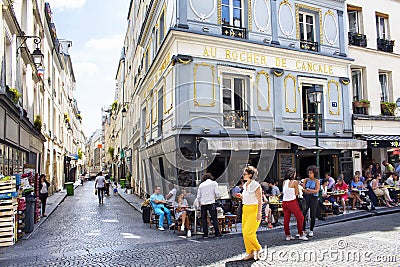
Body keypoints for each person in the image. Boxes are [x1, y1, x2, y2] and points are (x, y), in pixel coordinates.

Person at [238, 166, 263, 261]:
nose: (243, 176)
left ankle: (258, 248)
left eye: (245, 174)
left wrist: (259, 213)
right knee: (245, 232)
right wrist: (241, 196)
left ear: (250, 175)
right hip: (246, 209)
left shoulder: (256, 186)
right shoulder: (245, 185)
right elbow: (246, 197)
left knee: (249, 232)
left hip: (254, 209)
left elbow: (260, 201)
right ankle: (250, 252)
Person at [282, 168, 308, 241]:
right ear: (293, 174)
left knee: (286, 219)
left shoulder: (284, 182)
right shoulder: (295, 182)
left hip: (284, 202)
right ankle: (301, 233)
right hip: (292, 202)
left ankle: (288, 235)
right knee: (300, 217)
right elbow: (296, 193)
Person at [197, 173, 221, 238]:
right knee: (214, 218)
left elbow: (198, 196)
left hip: (203, 203)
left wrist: (199, 203)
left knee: (204, 219)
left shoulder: (201, 185)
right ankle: (217, 233)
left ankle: (205, 234)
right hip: (211, 202)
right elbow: (217, 193)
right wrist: (217, 197)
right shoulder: (214, 183)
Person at [301, 165, 320, 237]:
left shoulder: (317, 181)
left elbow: (317, 191)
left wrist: (308, 190)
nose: (310, 174)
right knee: (303, 213)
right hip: (306, 197)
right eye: (309, 173)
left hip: (313, 198)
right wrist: (309, 191)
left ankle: (311, 229)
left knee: (313, 214)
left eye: (311, 173)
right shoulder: (306, 180)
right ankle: (303, 229)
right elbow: (303, 189)